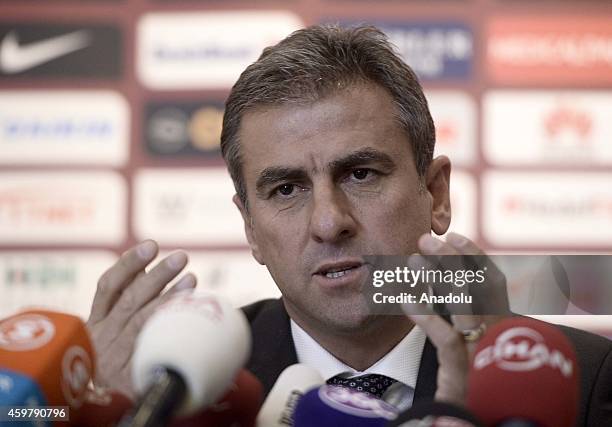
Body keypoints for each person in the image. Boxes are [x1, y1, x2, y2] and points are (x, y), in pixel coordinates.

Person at [86, 25, 612, 424]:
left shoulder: (582, 383)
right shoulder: (166, 393)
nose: (329, 222)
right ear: (249, 228)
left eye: (360, 174)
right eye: (286, 189)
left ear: (436, 195)